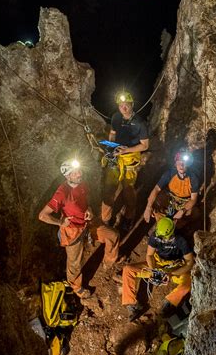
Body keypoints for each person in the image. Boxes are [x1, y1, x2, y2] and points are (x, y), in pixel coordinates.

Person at [39, 159, 120, 299]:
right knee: (75, 263)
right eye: (75, 172)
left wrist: (88, 209)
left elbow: (85, 198)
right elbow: (42, 215)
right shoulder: (62, 193)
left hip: (87, 223)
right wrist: (60, 222)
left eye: (79, 170)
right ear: (67, 176)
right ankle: (76, 287)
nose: (79, 173)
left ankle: (108, 263)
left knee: (112, 235)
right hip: (72, 231)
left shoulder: (82, 183)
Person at [121, 217, 194, 321]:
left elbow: (190, 262)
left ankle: (170, 303)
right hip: (157, 263)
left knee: (189, 281)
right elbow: (149, 255)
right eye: (159, 237)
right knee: (128, 270)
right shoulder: (155, 236)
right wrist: (154, 271)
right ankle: (132, 305)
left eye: (164, 238)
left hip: (173, 267)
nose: (161, 240)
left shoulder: (181, 241)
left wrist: (171, 274)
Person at [101, 91, 149, 230]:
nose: (123, 108)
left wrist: (126, 150)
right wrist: (110, 147)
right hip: (116, 155)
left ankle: (129, 217)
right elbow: (113, 133)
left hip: (130, 157)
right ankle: (105, 220)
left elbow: (145, 145)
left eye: (126, 105)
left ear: (132, 104)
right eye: (120, 105)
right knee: (109, 188)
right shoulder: (116, 117)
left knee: (128, 189)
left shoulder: (139, 123)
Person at [143, 150, 200, 225]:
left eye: (184, 163)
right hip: (170, 197)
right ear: (175, 164)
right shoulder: (170, 173)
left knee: (192, 213)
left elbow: (193, 199)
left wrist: (182, 211)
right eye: (179, 162)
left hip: (184, 201)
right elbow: (156, 189)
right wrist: (148, 207)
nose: (181, 165)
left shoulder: (193, 178)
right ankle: (162, 223)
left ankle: (177, 226)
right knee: (157, 201)